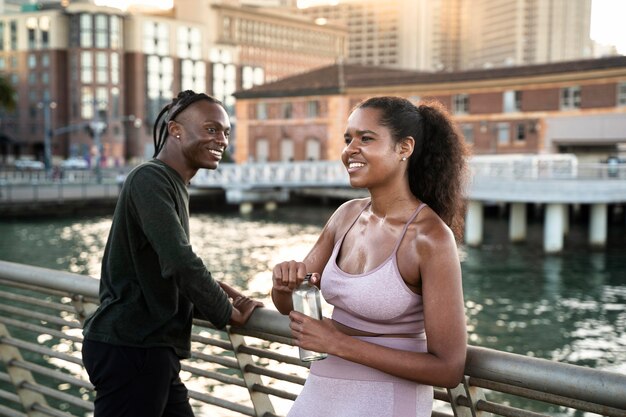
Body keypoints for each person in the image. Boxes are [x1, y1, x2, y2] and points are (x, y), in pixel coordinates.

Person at [271, 96, 469, 417]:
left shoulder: (430, 238)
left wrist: (338, 344)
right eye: (348, 139)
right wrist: (283, 285)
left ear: (404, 148)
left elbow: (448, 369)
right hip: (320, 391)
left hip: (386, 402)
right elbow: (290, 307)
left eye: (366, 138)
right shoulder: (345, 215)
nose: (350, 149)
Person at [82, 90, 263, 417]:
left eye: (226, 132)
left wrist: (221, 292)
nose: (222, 139)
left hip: (152, 349)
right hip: (132, 348)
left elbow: (159, 267)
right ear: (175, 130)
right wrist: (226, 312)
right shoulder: (150, 178)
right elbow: (179, 261)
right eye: (211, 129)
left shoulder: (173, 182)